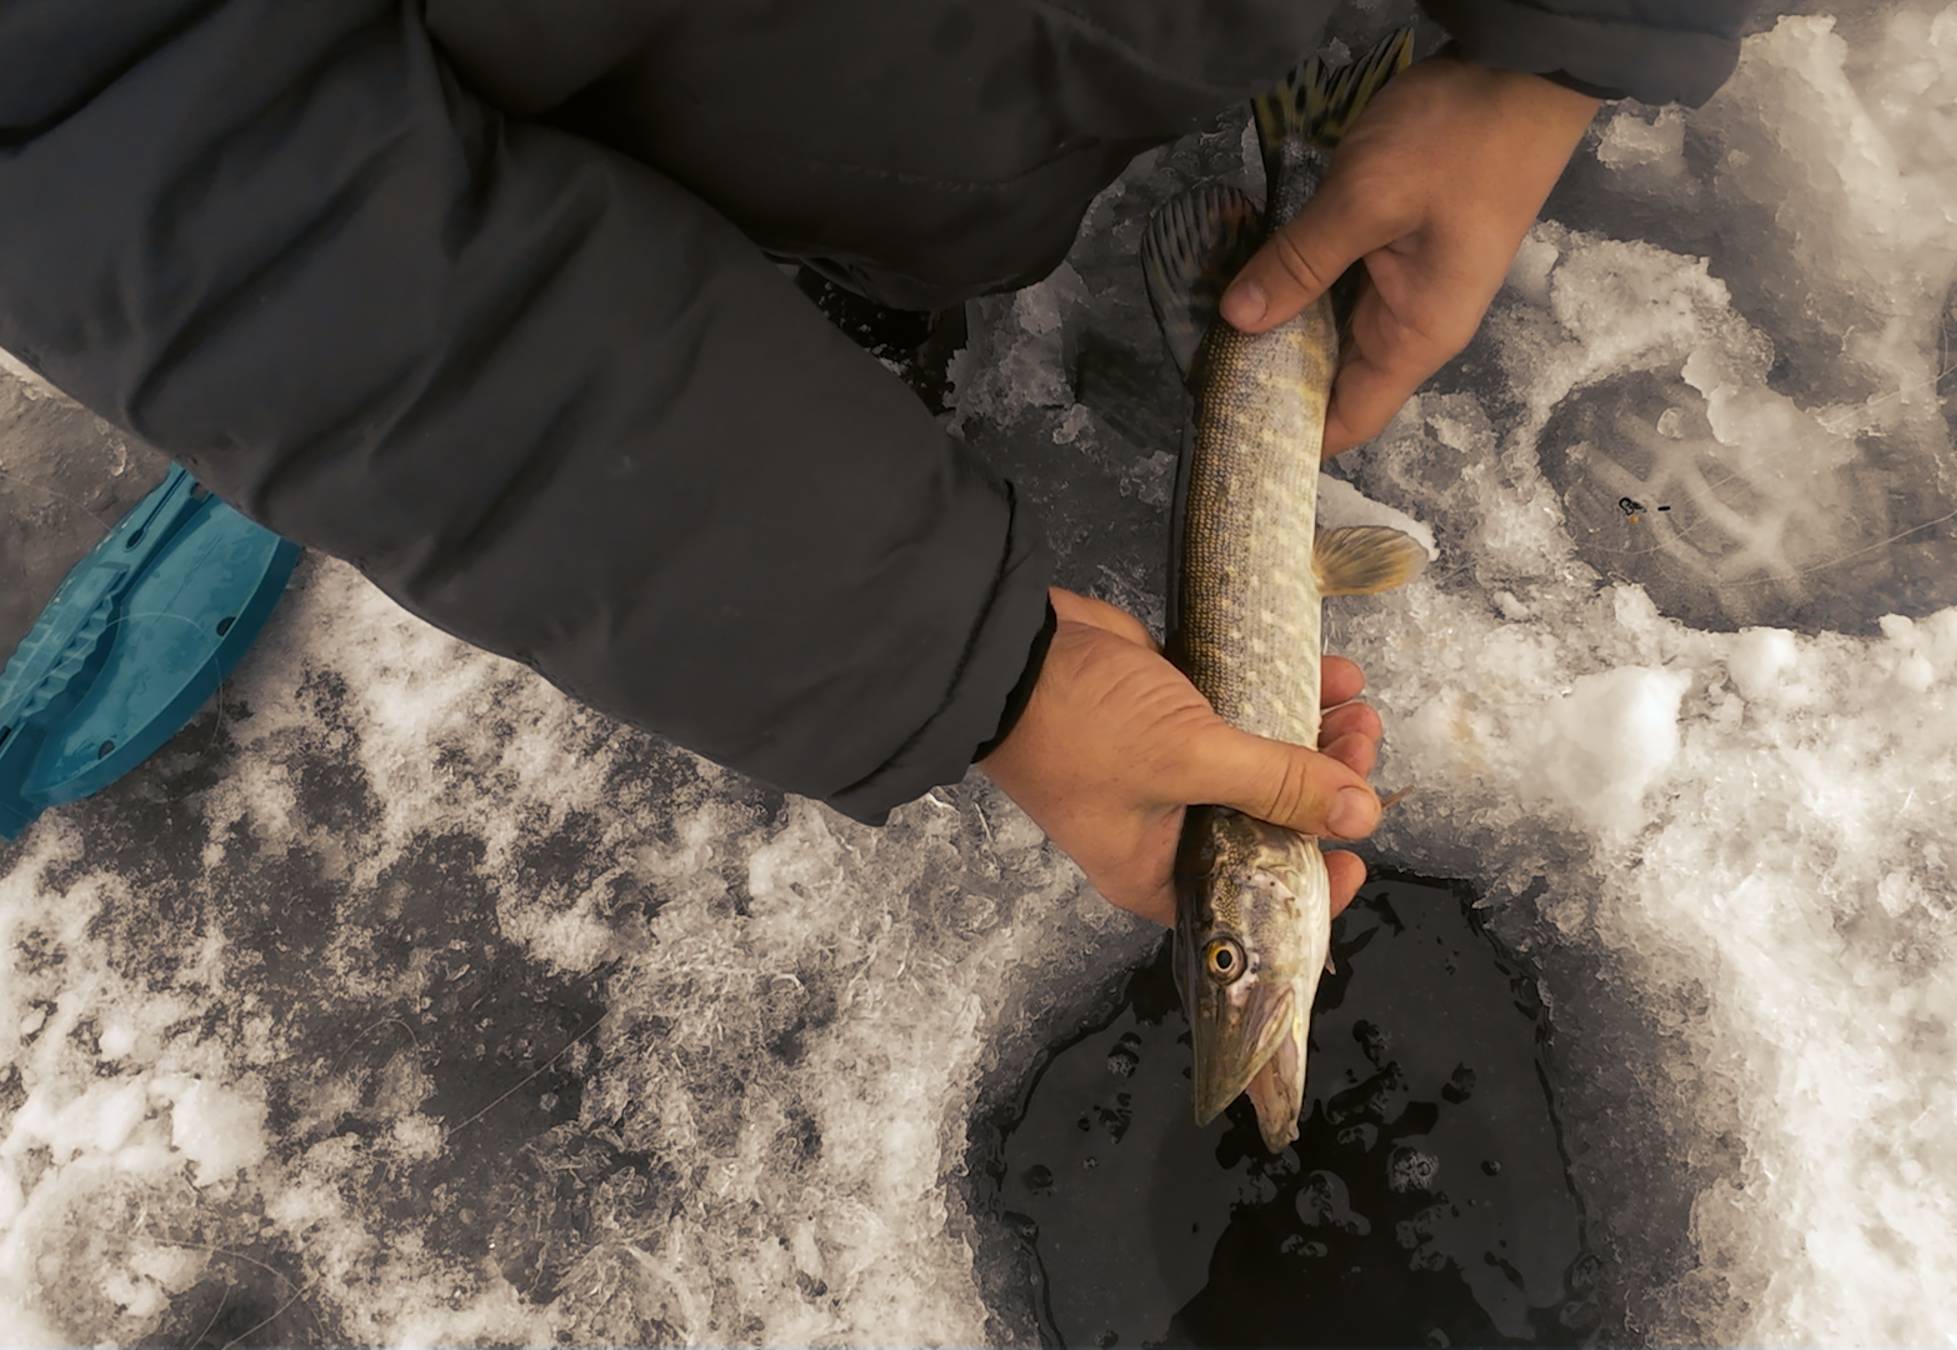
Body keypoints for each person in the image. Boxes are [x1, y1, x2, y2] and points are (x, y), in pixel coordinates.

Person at [0, 1, 1757, 925]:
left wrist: (1561, 41)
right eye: (1245, 957)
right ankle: (792, 251)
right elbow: (159, 135)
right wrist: (956, 659)